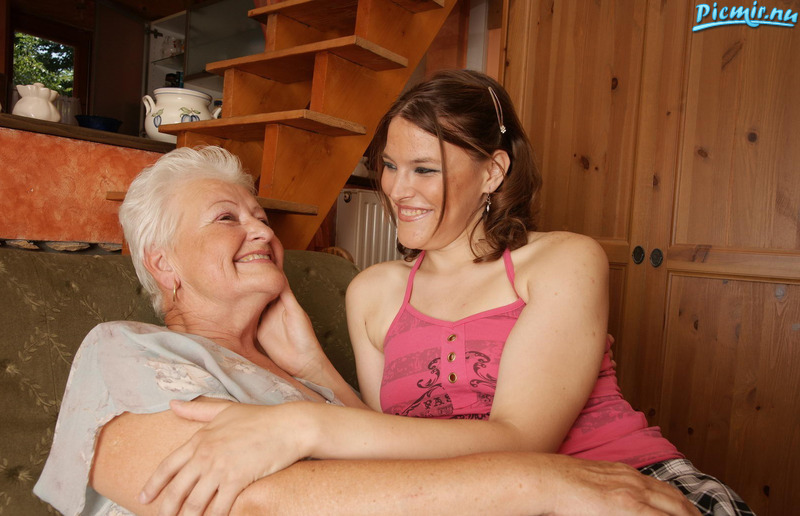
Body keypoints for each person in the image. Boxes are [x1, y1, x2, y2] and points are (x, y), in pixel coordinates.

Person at [136, 72, 749, 516]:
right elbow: (392, 446)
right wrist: (312, 366)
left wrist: (301, 427)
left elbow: (522, 440)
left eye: (424, 169)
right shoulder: (373, 293)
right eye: (389, 165)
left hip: (620, 485)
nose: (397, 189)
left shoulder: (563, 261)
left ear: (493, 172)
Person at [32, 146, 697, 516]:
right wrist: (546, 483)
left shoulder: (297, 376)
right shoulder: (125, 349)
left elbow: (398, 463)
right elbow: (251, 506)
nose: (261, 229)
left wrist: (314, 369)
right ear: (162, 264)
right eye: (227, 218)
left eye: (261, 216)